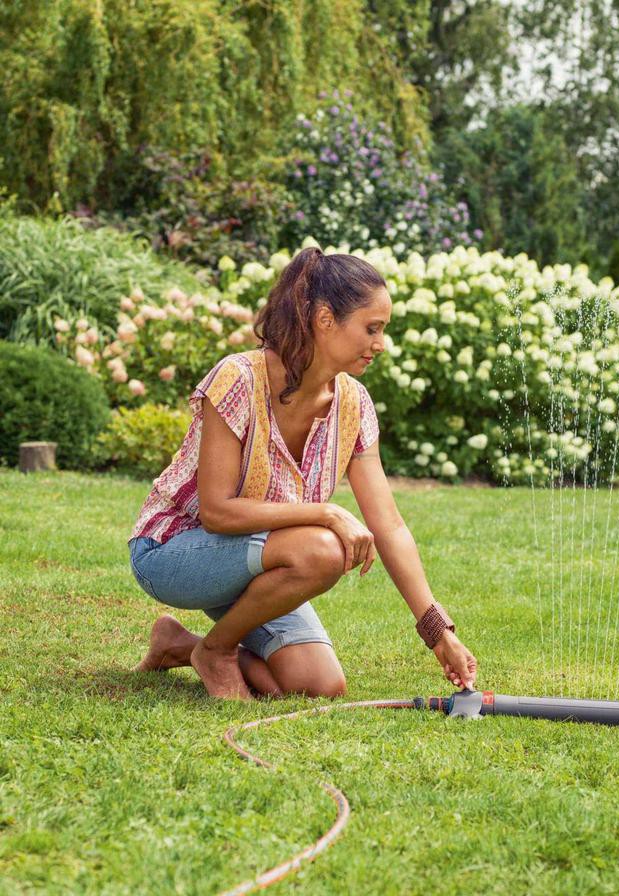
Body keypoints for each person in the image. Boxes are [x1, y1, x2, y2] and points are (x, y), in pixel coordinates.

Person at [127, 246, 478, 700]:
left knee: (317, 685)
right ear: (325, 319)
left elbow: (389, 525)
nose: (381, 344)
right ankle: (217, 651)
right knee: (324, 550)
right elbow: (215, 512)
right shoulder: (238, 379)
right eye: (372, 328)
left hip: (258, 562)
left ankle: (181, 645)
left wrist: (439, 632)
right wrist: (328, 513)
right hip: (174, 552)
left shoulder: (353, 404)